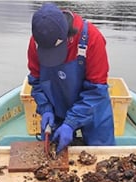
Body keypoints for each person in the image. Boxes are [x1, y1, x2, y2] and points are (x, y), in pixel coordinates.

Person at [27, 2, 115, 153]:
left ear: (68, 34)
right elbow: (37, 81)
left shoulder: (92, 39)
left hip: (92, 106)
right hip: (56, 105)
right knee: (51, 153)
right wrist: (46, 108)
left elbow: (96, 90)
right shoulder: (36, 42)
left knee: (103, 157)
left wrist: (71, 123)